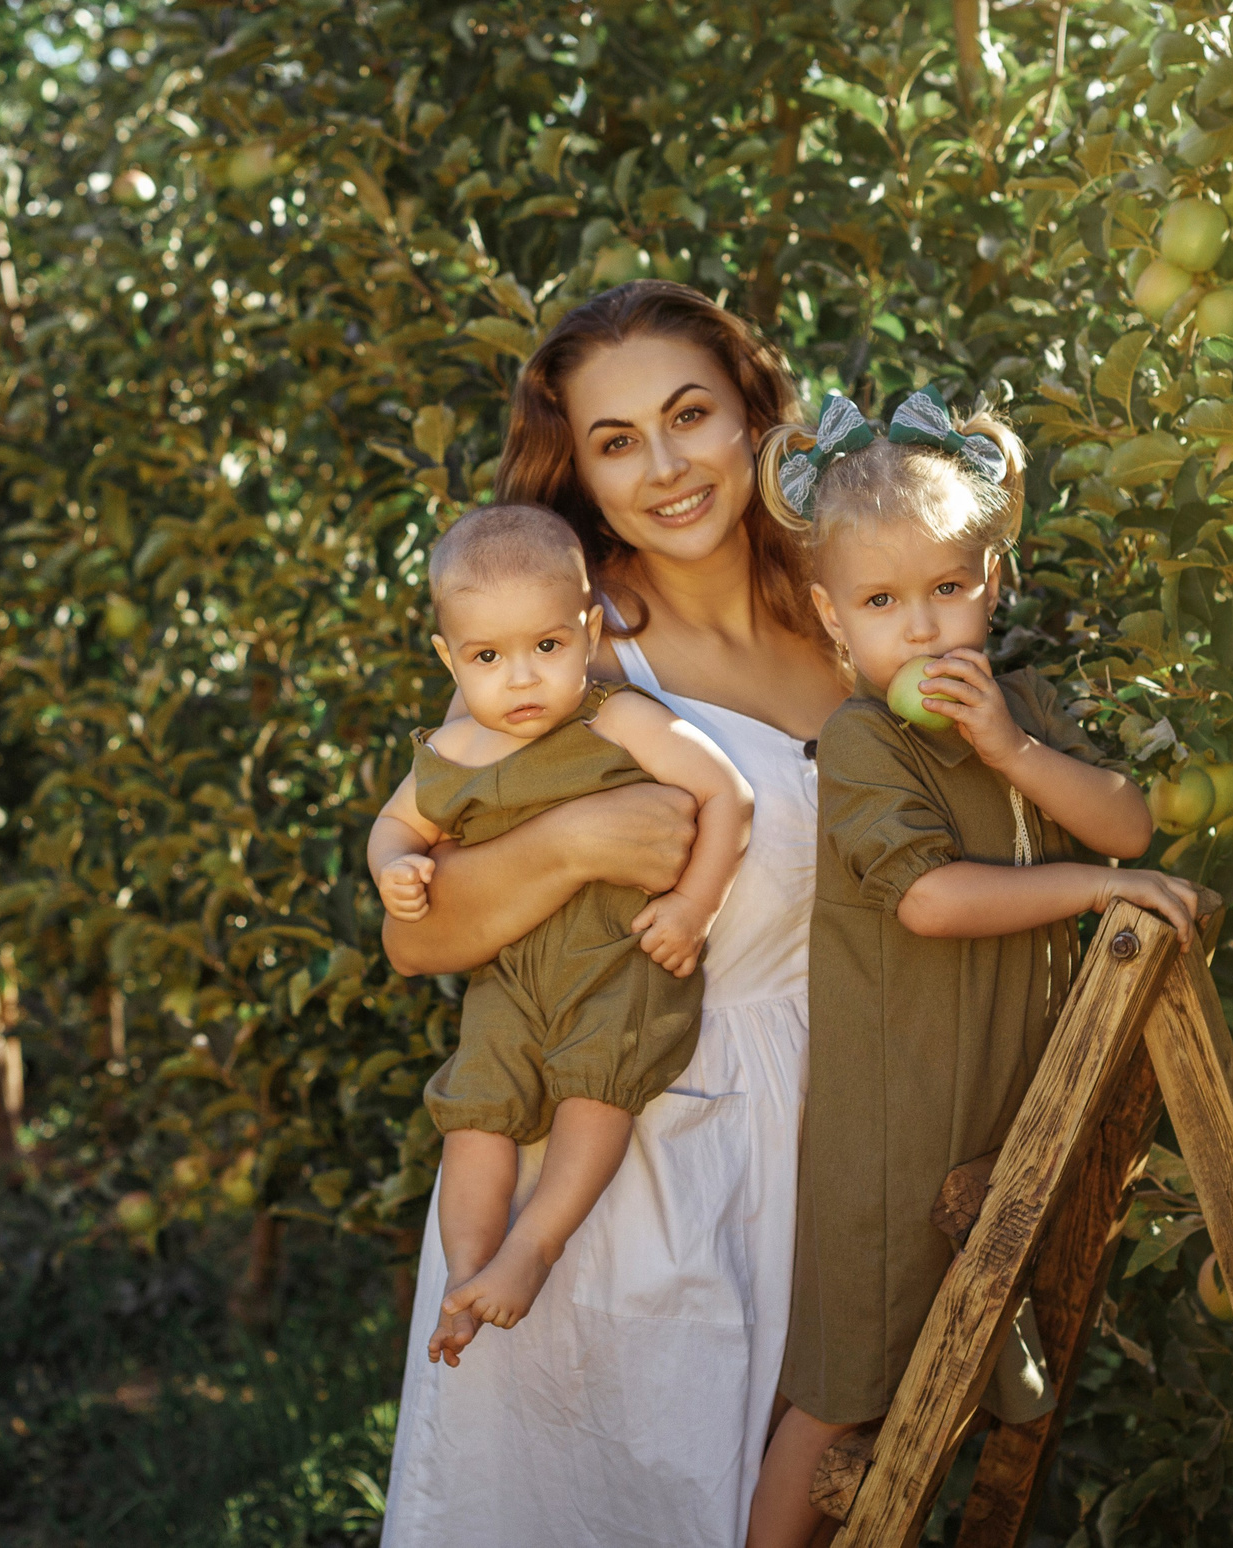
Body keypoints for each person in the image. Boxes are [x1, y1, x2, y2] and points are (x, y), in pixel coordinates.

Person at [378, 281, 845, 1546]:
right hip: (617, 1154)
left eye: (690, 414)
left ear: (754, 414)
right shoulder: (566, 658)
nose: (666, 466)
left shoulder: (848, 623)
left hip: (824, 1141)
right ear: (576, 473)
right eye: (616, 441)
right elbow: (417, 937)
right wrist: (576, 836)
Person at [743, 388, 1206, 1548]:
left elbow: (1125, 823)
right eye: (883, 601)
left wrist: (1009, 745)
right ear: (831, 616)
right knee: (845, 1384)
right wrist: (1095, 892)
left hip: (997, 1112)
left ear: (991, 583)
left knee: (945, 1367)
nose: (923, 628)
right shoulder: (863, 740)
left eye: (948, 590)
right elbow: (932, 899)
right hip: (895, 1122)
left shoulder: (1022, 709)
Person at [370, 502, 754, 1366]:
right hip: (510, 980)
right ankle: (467, 1281)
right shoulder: (457, 749)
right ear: (449, 658)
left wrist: (697, 905)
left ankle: (534, 1245)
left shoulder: (616, 720)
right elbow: (394, 827)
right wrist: (394, 868)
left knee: (595, 1094)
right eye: (487, 657)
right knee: (477, 1111)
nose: (521, 680)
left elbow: (728, 793)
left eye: (547, 647)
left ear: (588, 629)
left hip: (615, 966)